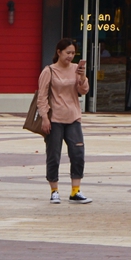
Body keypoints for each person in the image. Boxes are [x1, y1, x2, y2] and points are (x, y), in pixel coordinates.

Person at [34, 38, 90, 205]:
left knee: (78, 154)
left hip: (73, 117)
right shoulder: (49, 71)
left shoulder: (75, 69)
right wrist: (45, 117)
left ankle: (75, 191)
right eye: (68, 53)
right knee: (54, 155)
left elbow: (83, 91)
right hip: (55, 119)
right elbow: (41, 96)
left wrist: (82, 77)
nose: (70, 56)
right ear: (59, 52)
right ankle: (54, 190)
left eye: (73, 53)